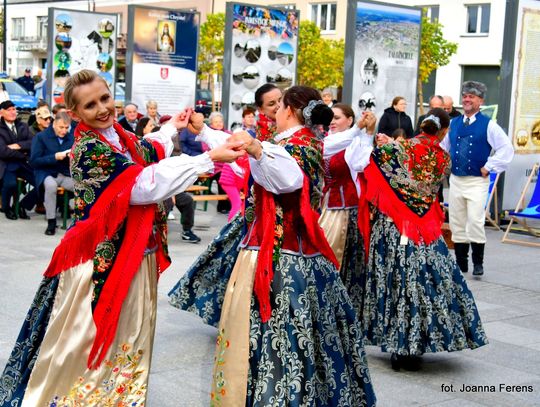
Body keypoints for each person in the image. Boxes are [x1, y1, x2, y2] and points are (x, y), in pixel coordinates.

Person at [0, 69, 244, 406]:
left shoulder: (116, 134)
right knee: (88, 337)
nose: (102, 108)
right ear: (74, 114)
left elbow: (145, 148)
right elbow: (142, 186)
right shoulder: (88, 149)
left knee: (129, 332)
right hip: (102, 257)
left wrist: (173, 126)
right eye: (90, 105)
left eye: (104, 98)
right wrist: (207, 158)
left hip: (131, 252)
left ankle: (119, 393)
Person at [171, 86, 376, 406]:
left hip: (279, 260)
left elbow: (287, 178)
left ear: (290, 110)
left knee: (277, 342)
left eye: (278, 105)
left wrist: (256, 149)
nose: (273, 112)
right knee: (304, 341)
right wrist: (208, 132)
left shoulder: (296, 147)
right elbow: (252, 151)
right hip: (299, 255)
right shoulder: (306, 141)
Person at [351, 108, 488, 371]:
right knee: (426, 283)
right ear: (444, 131)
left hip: (393, 226)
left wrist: (383, 142)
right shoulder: (443, 158)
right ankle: (419, 342)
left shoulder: (395, 150)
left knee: (394, 283)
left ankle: (397, 344)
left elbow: (365, 167)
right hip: (426, 230)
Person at [441, 81, 514, 276]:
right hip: (456, 179)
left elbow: (507, 149)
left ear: (480, 101)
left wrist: (489, 166)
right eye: (465, 95)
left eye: (471, 96)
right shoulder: (454, 123)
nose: (466, 99)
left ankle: (478, 263)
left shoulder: (489, 125)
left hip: (476, 181)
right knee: (457, 221)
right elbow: (442, 148)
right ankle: (461, 263)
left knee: (475, 220)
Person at [320, 103, 375, 314]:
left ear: (350, 120)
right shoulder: (326, 141)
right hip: (326, 206)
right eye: (330, 118)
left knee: (345, 260)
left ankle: (344, 308)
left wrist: (367, 134)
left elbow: (362, 164)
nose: (332, 122)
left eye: (337, 117)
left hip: (347, 209)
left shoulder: (355, 143)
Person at [29, 111, 74, 235]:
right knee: (50, 186)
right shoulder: (41, 137)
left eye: (66, 128)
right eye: (61, 127)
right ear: (54, 124)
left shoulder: (72, 138)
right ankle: (51, 221)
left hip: (65, 173)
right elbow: (34, 161)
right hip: (46, 172)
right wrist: (54, 157)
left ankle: (84, 219)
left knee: (82, 186)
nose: (64, 131)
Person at [0, 100, 36, 220]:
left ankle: (21, 205)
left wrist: (19, 146)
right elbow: (3, 151)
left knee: (41, 183)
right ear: (2, 112)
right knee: (10, 184)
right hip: (6, 164)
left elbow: (33, 142)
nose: (13, 112)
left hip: (22, 163)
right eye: (9, 110)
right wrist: (22, 154)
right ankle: (6, 208)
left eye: (14, 109)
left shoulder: (23, 126)